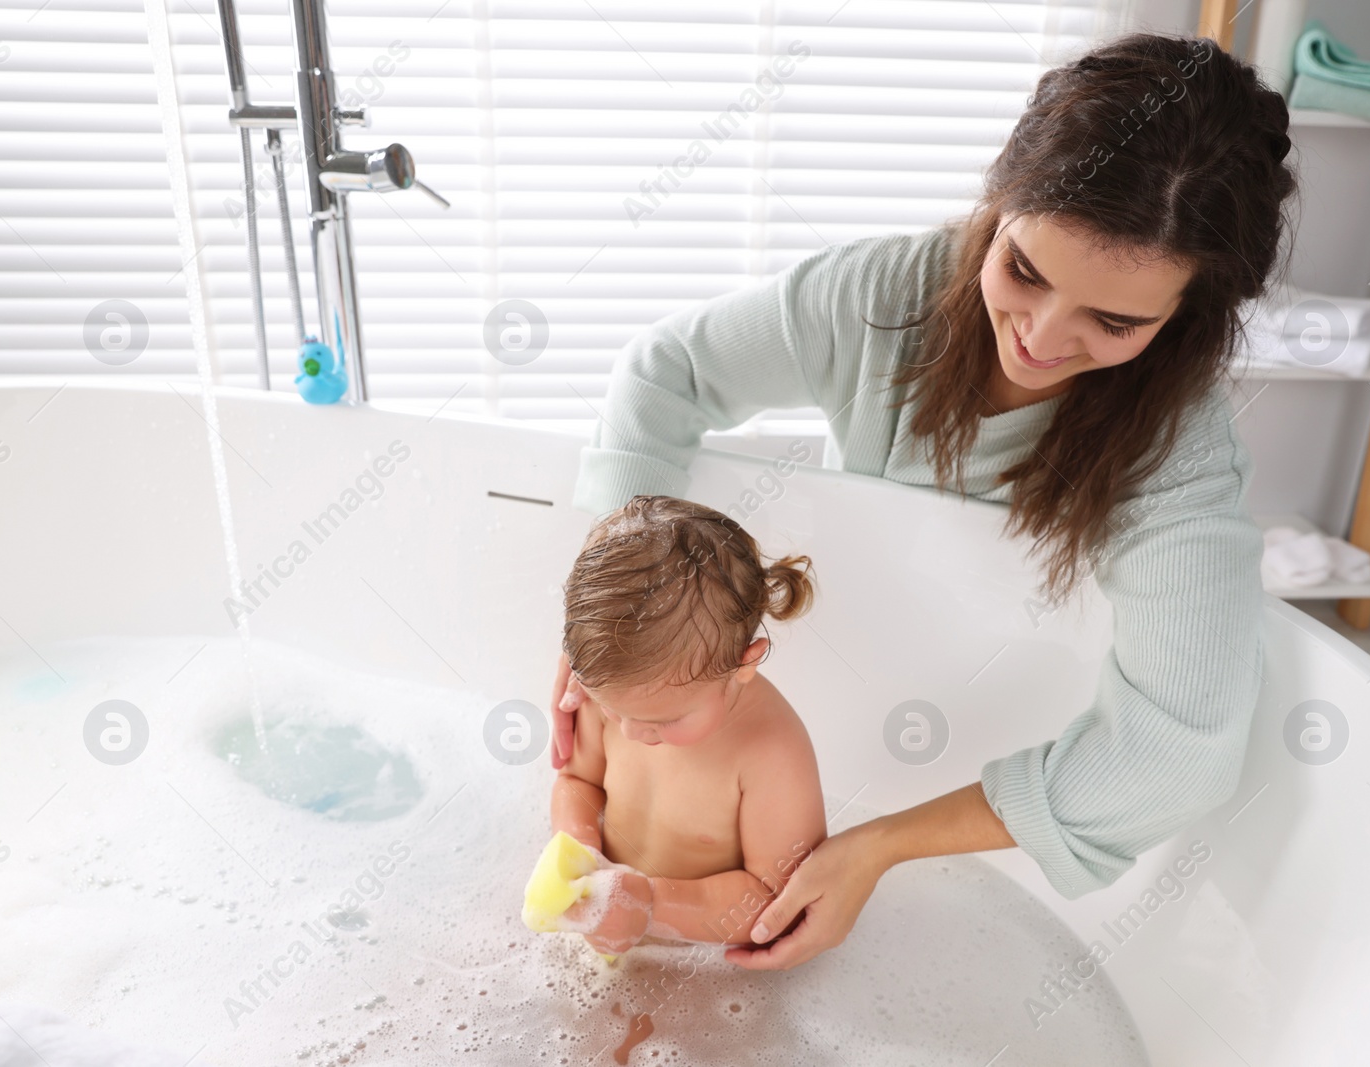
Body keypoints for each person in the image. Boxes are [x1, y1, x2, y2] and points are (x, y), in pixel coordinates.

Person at [550, 32, 1295, 970]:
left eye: (1112, 321)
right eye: (1023, 270)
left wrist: (879, 845)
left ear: (1188, 314)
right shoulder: (887, 294)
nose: (1038, 337)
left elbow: (1177, 751)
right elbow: (667, 373)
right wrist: (619, 610)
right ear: (999, 202)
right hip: (850, 703)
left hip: (968, 767)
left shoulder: (1177, 454)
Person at [548, 495, 827, 956]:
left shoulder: (771, 750)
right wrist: (579, 849)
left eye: (666, 720)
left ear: (744, 664)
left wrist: (653, 906)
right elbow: (577, 781)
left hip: (707, 960)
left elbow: (778, 901)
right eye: (615, 712)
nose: (632, 732)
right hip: (607, 940)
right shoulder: (615, 691)